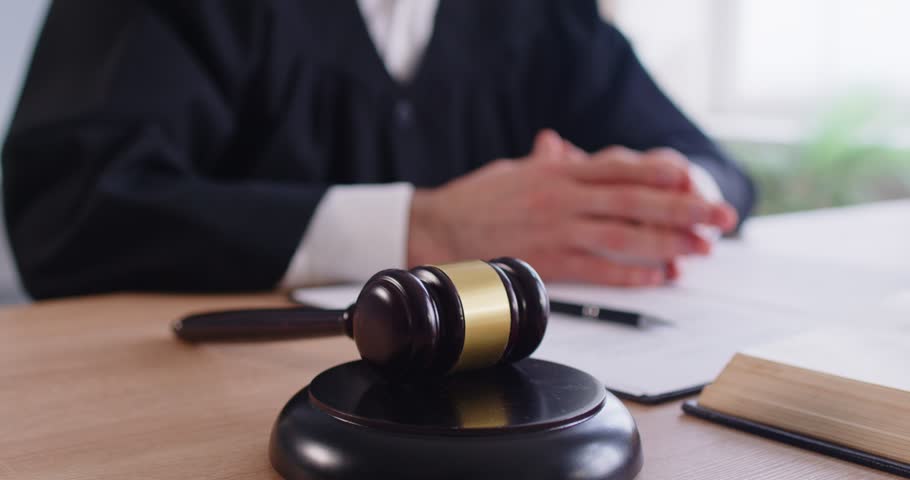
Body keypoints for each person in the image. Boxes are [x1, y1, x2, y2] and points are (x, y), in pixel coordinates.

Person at [2, 0, 755, 300]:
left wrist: (658, 190)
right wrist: (428, 230)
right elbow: (68, 210)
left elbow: (713, 167)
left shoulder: (541, 17)